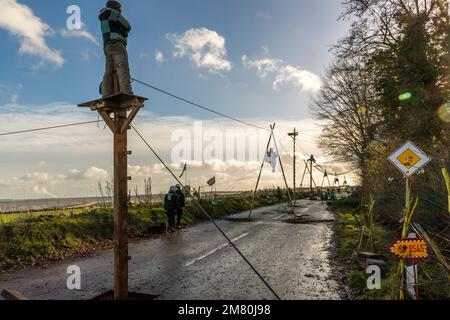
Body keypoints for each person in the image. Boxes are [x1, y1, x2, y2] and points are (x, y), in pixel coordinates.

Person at [99, 0, 133, 97]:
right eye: (119, 8)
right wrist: (124, 30)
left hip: (107, 45)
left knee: (108, 71)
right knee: (123, 68)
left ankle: (105, 94)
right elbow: (128, 26)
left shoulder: (103, 16)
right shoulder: (112, 12)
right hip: (117, 43)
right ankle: (127, 93)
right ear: (115, 7)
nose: (120, 10)